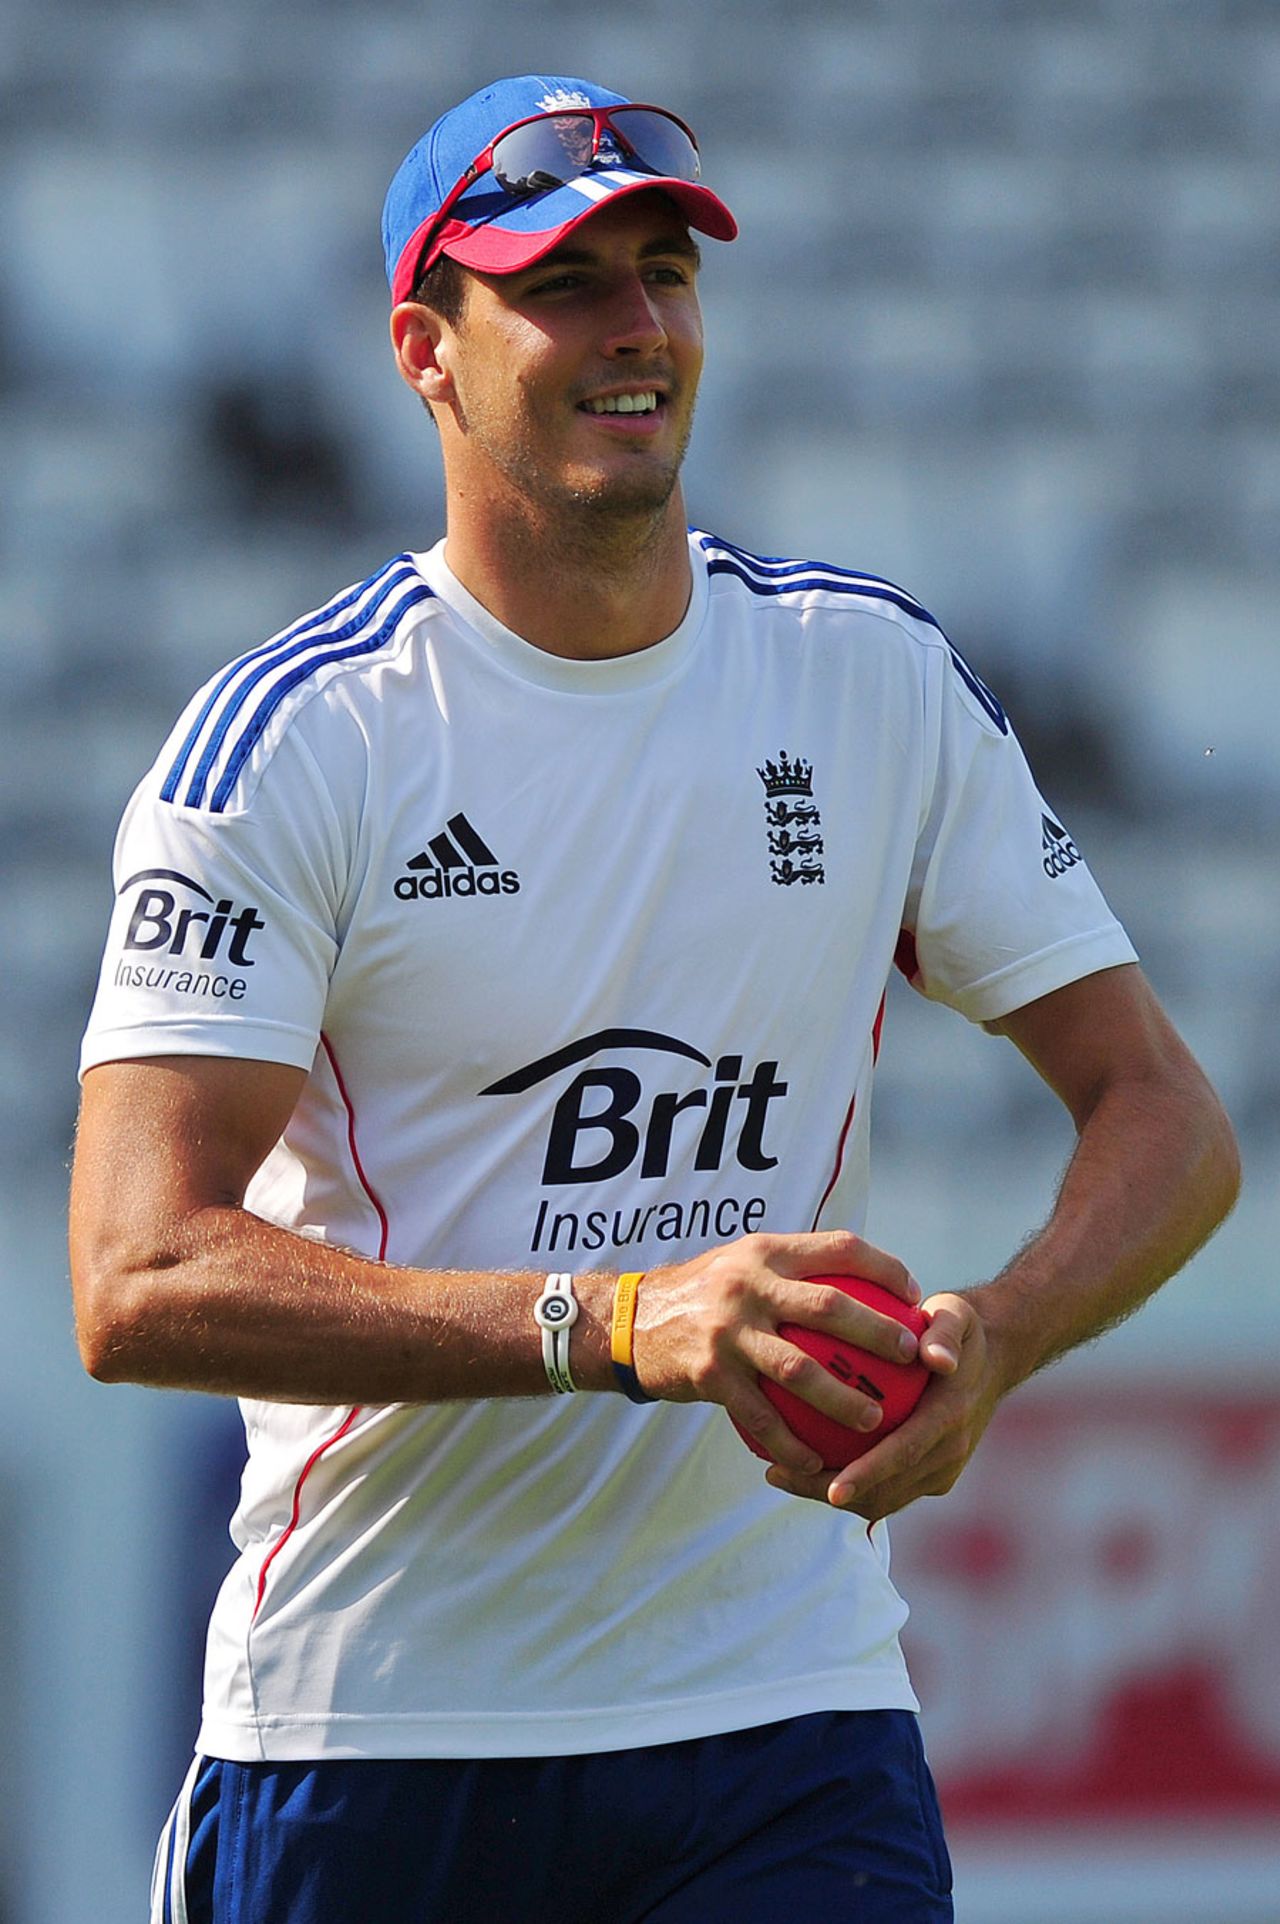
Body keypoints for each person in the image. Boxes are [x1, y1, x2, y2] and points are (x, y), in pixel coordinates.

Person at [69, 72, 1240, 1924]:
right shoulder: (291, 748)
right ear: (423, 353)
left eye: (663, 275)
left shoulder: (873, 684)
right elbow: (134, 1280)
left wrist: (999, 1340)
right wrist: (609, 1317)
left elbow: (1168, 1118)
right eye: (564, 281)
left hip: (789, 1719)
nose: (635, 326)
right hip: (373, 1742)